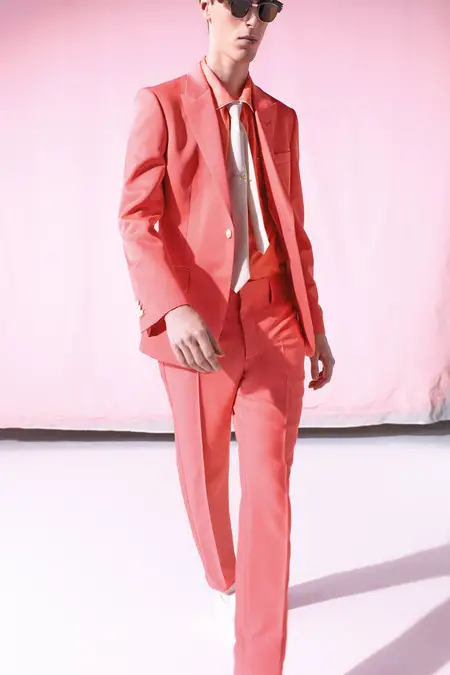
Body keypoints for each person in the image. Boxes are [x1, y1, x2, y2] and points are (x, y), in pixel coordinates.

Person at [118, 1, 335, 672]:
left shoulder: (281, 117)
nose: (252, 22)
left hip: (275, 318)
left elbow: (293, 230)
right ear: (206, 7)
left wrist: (315, 323)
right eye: (238, 5)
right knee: (204, 472)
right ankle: (226, 581)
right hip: (198, 327)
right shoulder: (163, 104)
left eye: (267, 8)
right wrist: (172, 307)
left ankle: (259, 661)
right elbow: (135, 218)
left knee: (269, 489)